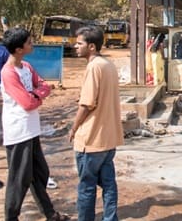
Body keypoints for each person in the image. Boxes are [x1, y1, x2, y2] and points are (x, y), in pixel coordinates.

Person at [0, 28, 70, 221]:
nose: (32, 44)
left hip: (31, 129)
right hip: (18, 130)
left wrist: (36, 94)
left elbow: (44, 86)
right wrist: (38, 96)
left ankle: (50, 213)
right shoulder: (9, 72)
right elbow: (28, 103)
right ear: (18, 49)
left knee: (39, 173)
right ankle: (11, 217)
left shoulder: (27, 67)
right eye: (29, 42)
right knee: (19, 179)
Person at [69, 26, 124, 221]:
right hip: (109, 139)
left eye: (79, 43)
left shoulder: (94, 67)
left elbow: (86, 104)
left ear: (91, 46)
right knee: (109, 184)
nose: (75, 47)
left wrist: (74, 128)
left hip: (91, 139)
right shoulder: (108, 65)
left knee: (87, 186)